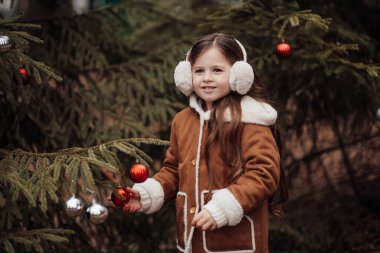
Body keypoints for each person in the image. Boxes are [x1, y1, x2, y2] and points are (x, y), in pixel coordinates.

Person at [124, 33, 287, 253]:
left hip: (237, 243)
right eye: (199, 71)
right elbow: (174, 170)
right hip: (192, 241)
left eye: (217, 70)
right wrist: (146, 194)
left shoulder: (250, 119)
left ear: (238, 75)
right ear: (186, 75)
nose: (206, 78)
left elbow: (264, 173)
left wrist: (223, 207)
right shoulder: (183, 120)